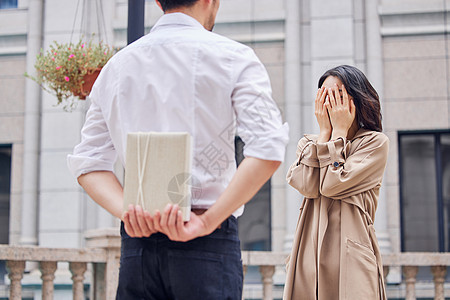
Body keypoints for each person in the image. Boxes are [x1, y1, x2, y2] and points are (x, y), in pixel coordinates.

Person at [67, 0, 289, 299]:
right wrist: (207, 221)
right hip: (207, 241)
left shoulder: (117, 66)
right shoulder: (233, 57)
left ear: (157, 2)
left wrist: (131, 213)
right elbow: (268, 148)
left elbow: (88, 162)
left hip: (138, 246)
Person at [283, 65, 389, 300]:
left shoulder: (374, 143)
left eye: (338, 95)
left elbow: (332, 185)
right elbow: (306, 186)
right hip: (309, 256)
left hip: (351, 257)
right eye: (323, 95)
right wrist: (324, 136)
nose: (330, 102)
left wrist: (339, 132)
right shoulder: (309, 143)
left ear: (357, 99)